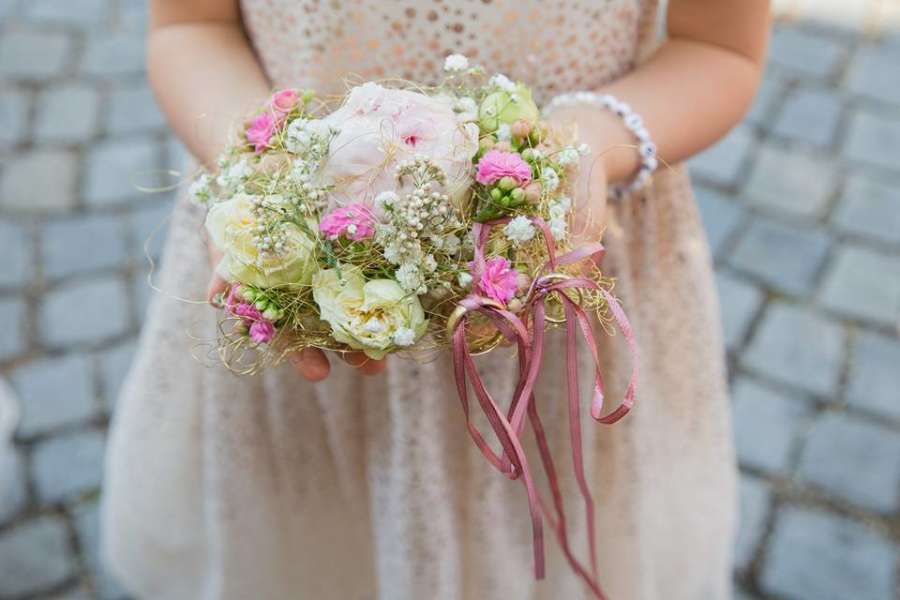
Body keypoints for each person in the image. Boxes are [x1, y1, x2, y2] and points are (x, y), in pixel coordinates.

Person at [102, 1, 770, 598]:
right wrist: (258, 172)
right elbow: (193, 25)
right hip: (303, 278)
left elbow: (717, 48)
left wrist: (585, 142)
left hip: (554, 296)